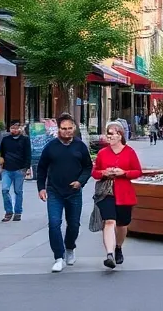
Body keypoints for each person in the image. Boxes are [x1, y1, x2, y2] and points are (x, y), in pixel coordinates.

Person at [37, 113, 93, 273]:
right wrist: (41, 188)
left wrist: (80, 182)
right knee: (54, 223)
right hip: (54, 191)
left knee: (73, 224)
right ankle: (58, 257)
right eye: (64, 129)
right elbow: (41, 168)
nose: (67, 131)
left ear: (74, 128)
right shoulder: (51, 147)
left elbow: (88, 167)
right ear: (58, 129)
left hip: (74, 191)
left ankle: (70, 247)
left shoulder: (80, 146)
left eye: (70, 128)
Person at [92, 121, 142, 269]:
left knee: (122, 224)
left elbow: (137, 171)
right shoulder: (102, 153)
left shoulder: (129, 152)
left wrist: (124, 173)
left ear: (120, 135)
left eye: (113, 133)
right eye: (108, 133)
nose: (110, 136)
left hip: (124, 193)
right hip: (106, 192)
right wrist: (103, 173)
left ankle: (118, 247)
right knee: (109, 221)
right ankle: (109, 254)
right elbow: (94, 172)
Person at [0, 119, 31, 222]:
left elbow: (28, 154)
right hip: (6, 169)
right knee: (5, 190)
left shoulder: (25, 140)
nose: (14, 130)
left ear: (20, 128)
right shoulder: (5, 140)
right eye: (12, 128)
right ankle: (8, 211)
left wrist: (26, 168)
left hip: (19, 169)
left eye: (16, 128)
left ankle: (18, 212)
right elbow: (2, 154)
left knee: (18, 191)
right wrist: (1, 166)